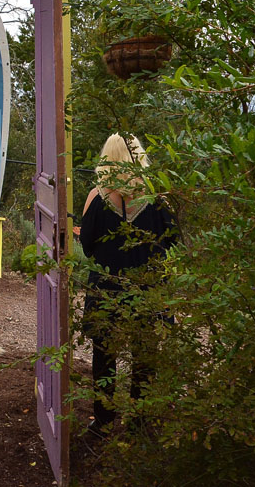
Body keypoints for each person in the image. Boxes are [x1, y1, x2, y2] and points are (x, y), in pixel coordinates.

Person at [79, 133, 177, 438]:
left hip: (107, 291)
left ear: (107, 158)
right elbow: (172, 241)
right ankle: (139, 423)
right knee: (145, 356)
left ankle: (105, 422)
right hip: (148, 292)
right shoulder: (158, 198)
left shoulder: (97, 197)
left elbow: (87, 246)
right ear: (140, 156)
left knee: (104, 356)